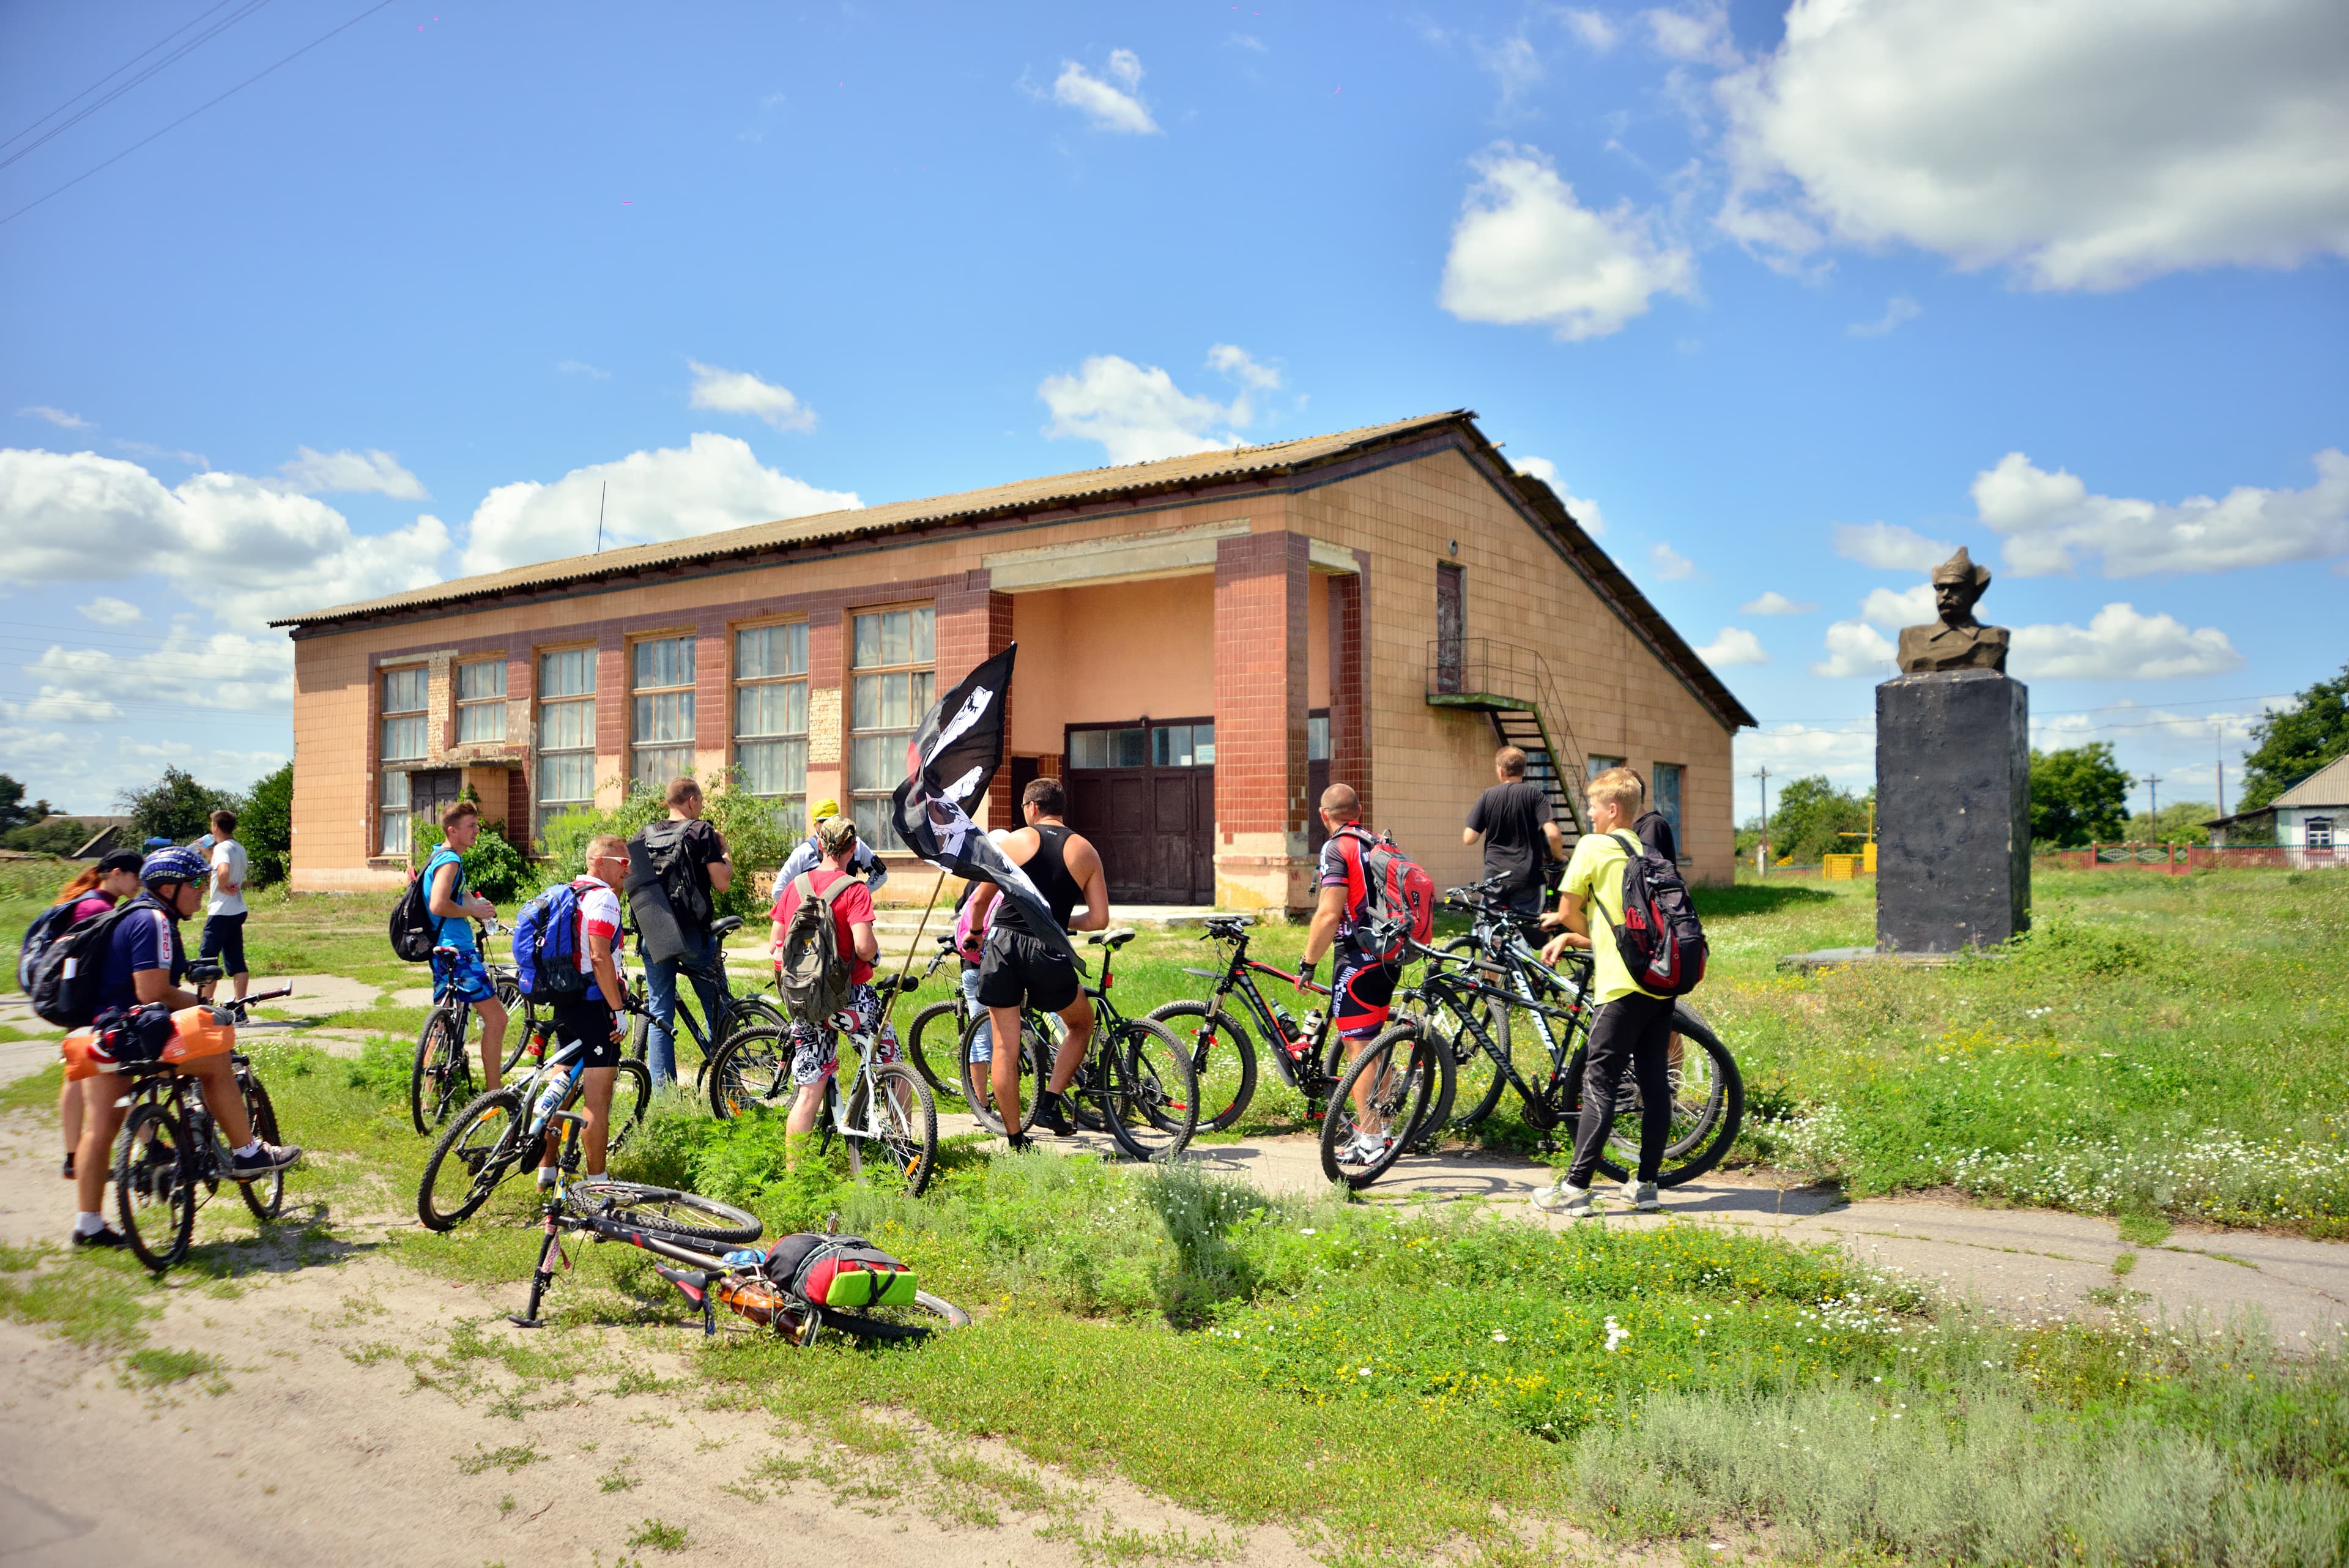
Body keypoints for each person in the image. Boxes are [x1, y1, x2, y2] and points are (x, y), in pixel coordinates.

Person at [65, 849, 302, 1249]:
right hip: (136, 1032)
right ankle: (246, 1152)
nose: (200, 891)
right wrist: (206, 1007)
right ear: (169, 887)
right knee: (216, 1058)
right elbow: (152, 990)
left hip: (103, 1032)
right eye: (195, 883)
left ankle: (88, 1223)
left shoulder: (131, 914)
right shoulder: (154, 919)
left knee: (99, 1127)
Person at [1534, 767, 1672, 1219]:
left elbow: (1567, 911)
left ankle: (1575, 1187)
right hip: (1657, 983)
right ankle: (1646, 1185)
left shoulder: (1594, 846)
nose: (1588, 813)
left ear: (1613, 809)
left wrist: (1572, 930)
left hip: (1619, 987)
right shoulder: (1646, 850)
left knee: (1600, 1082)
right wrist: (1584, 937)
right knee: (1654, 1083)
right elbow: (1624, 929)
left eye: (1592, 805)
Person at [963, 778, 1108, 1148]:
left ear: (1031, 808)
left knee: (1005, 1048)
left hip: (1004, 947)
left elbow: (980, 901)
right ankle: (1051, 1100)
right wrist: (1063, 924)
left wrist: (976, 932)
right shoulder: (1086, 851)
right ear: (1060, 808)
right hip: (1049, 949)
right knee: (1080, 1023)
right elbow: (1098, 920)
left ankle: (1015, 1138)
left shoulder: (1014, 842)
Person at [768, 816, 900, 1164]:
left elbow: (776, 944)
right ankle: (905, 1147)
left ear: (820, 845)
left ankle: (796, 1176)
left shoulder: (795, 886)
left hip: (806, 1002)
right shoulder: (854, 890)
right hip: (850, 1000)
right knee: (894, 1063)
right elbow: (864, 949)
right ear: (853, 848)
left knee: (809, 1090)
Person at [1299, 784, 1410, 1164]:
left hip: (1357, 959)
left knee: (1359, 1050)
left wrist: (1308, 962)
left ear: (1323, 814)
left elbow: (1330, 913)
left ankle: (1370, 1140)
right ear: (1358, 810)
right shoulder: (1377, 842)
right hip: (1389, 955)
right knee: (1374, 1043)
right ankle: (1386, 1130)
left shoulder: (1336, 848)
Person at [535, 835, 631, 1188]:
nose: (628, 871)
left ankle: (546, 1169)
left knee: (560, 1085)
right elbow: (599, 955)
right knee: (597, 1100)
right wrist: (617, 1009)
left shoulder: (570, 892)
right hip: (594, 1005)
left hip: (565, 999)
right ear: (601, 863)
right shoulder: (603, 898)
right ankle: (598, 1182)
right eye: (623, 864)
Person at [52, 850, 144, 1180]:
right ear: (117, 873)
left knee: (78, 1074)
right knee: (99, 1073)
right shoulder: (98, 907)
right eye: (135, 876)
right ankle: (79, 1155)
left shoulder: (89, 900)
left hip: (75, 997)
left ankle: (74, 1156)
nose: (139, 883)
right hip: (87, 1000)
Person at [637, 776, 735, 1088]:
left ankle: (664, 1093)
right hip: (693, 936)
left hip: (655, 935)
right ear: (692, 801)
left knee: (659, 1012)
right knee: (716, 1005)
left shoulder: (644, 834)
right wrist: (725, 851)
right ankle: (730, 1083)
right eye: (701, 802)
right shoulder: (701, 830)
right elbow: (722, 883)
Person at [425, 800, 508, 1094]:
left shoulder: (438, 855)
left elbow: (459, 898)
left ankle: (429, 1094)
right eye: (471, 826)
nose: (477, 831)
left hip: (439, 949)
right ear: (453, 830)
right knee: (497, 1018)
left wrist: (477, 908)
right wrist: (467, 912)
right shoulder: (451, 862)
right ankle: (494, 1094)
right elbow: (438, 904)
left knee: (442, 1020)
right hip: (459, 950)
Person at [1463, 746, 1565, 919]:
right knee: (1525, 935)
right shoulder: (1535, 795)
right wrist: (1558, 859)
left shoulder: (1488, 796)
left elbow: (1469, 838)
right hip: (1528, 878)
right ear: (1523, 769)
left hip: (1495, 877)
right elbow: (1554, 835)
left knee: (1493, 934)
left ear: (1501, 771)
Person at [776, 797, 889, 893]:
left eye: (833, 819)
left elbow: (881, 874)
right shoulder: (804, 852)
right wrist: (803, 909)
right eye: (824, 821)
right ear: (815, 824)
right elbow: (779, 890)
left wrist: (859, 894)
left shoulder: (855, 845)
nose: (830, 825)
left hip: (847, 914)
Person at [196, 809, 250, 1003]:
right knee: (237, 962)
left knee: (208, 960)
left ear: (216, 827)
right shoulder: (238, 848)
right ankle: (240, 1007)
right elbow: (224, 865)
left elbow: (224, 870)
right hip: (237, 909)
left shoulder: (221, 849)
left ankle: (205, 1005)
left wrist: (222, 885)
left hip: (221, 912)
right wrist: (207, 853)